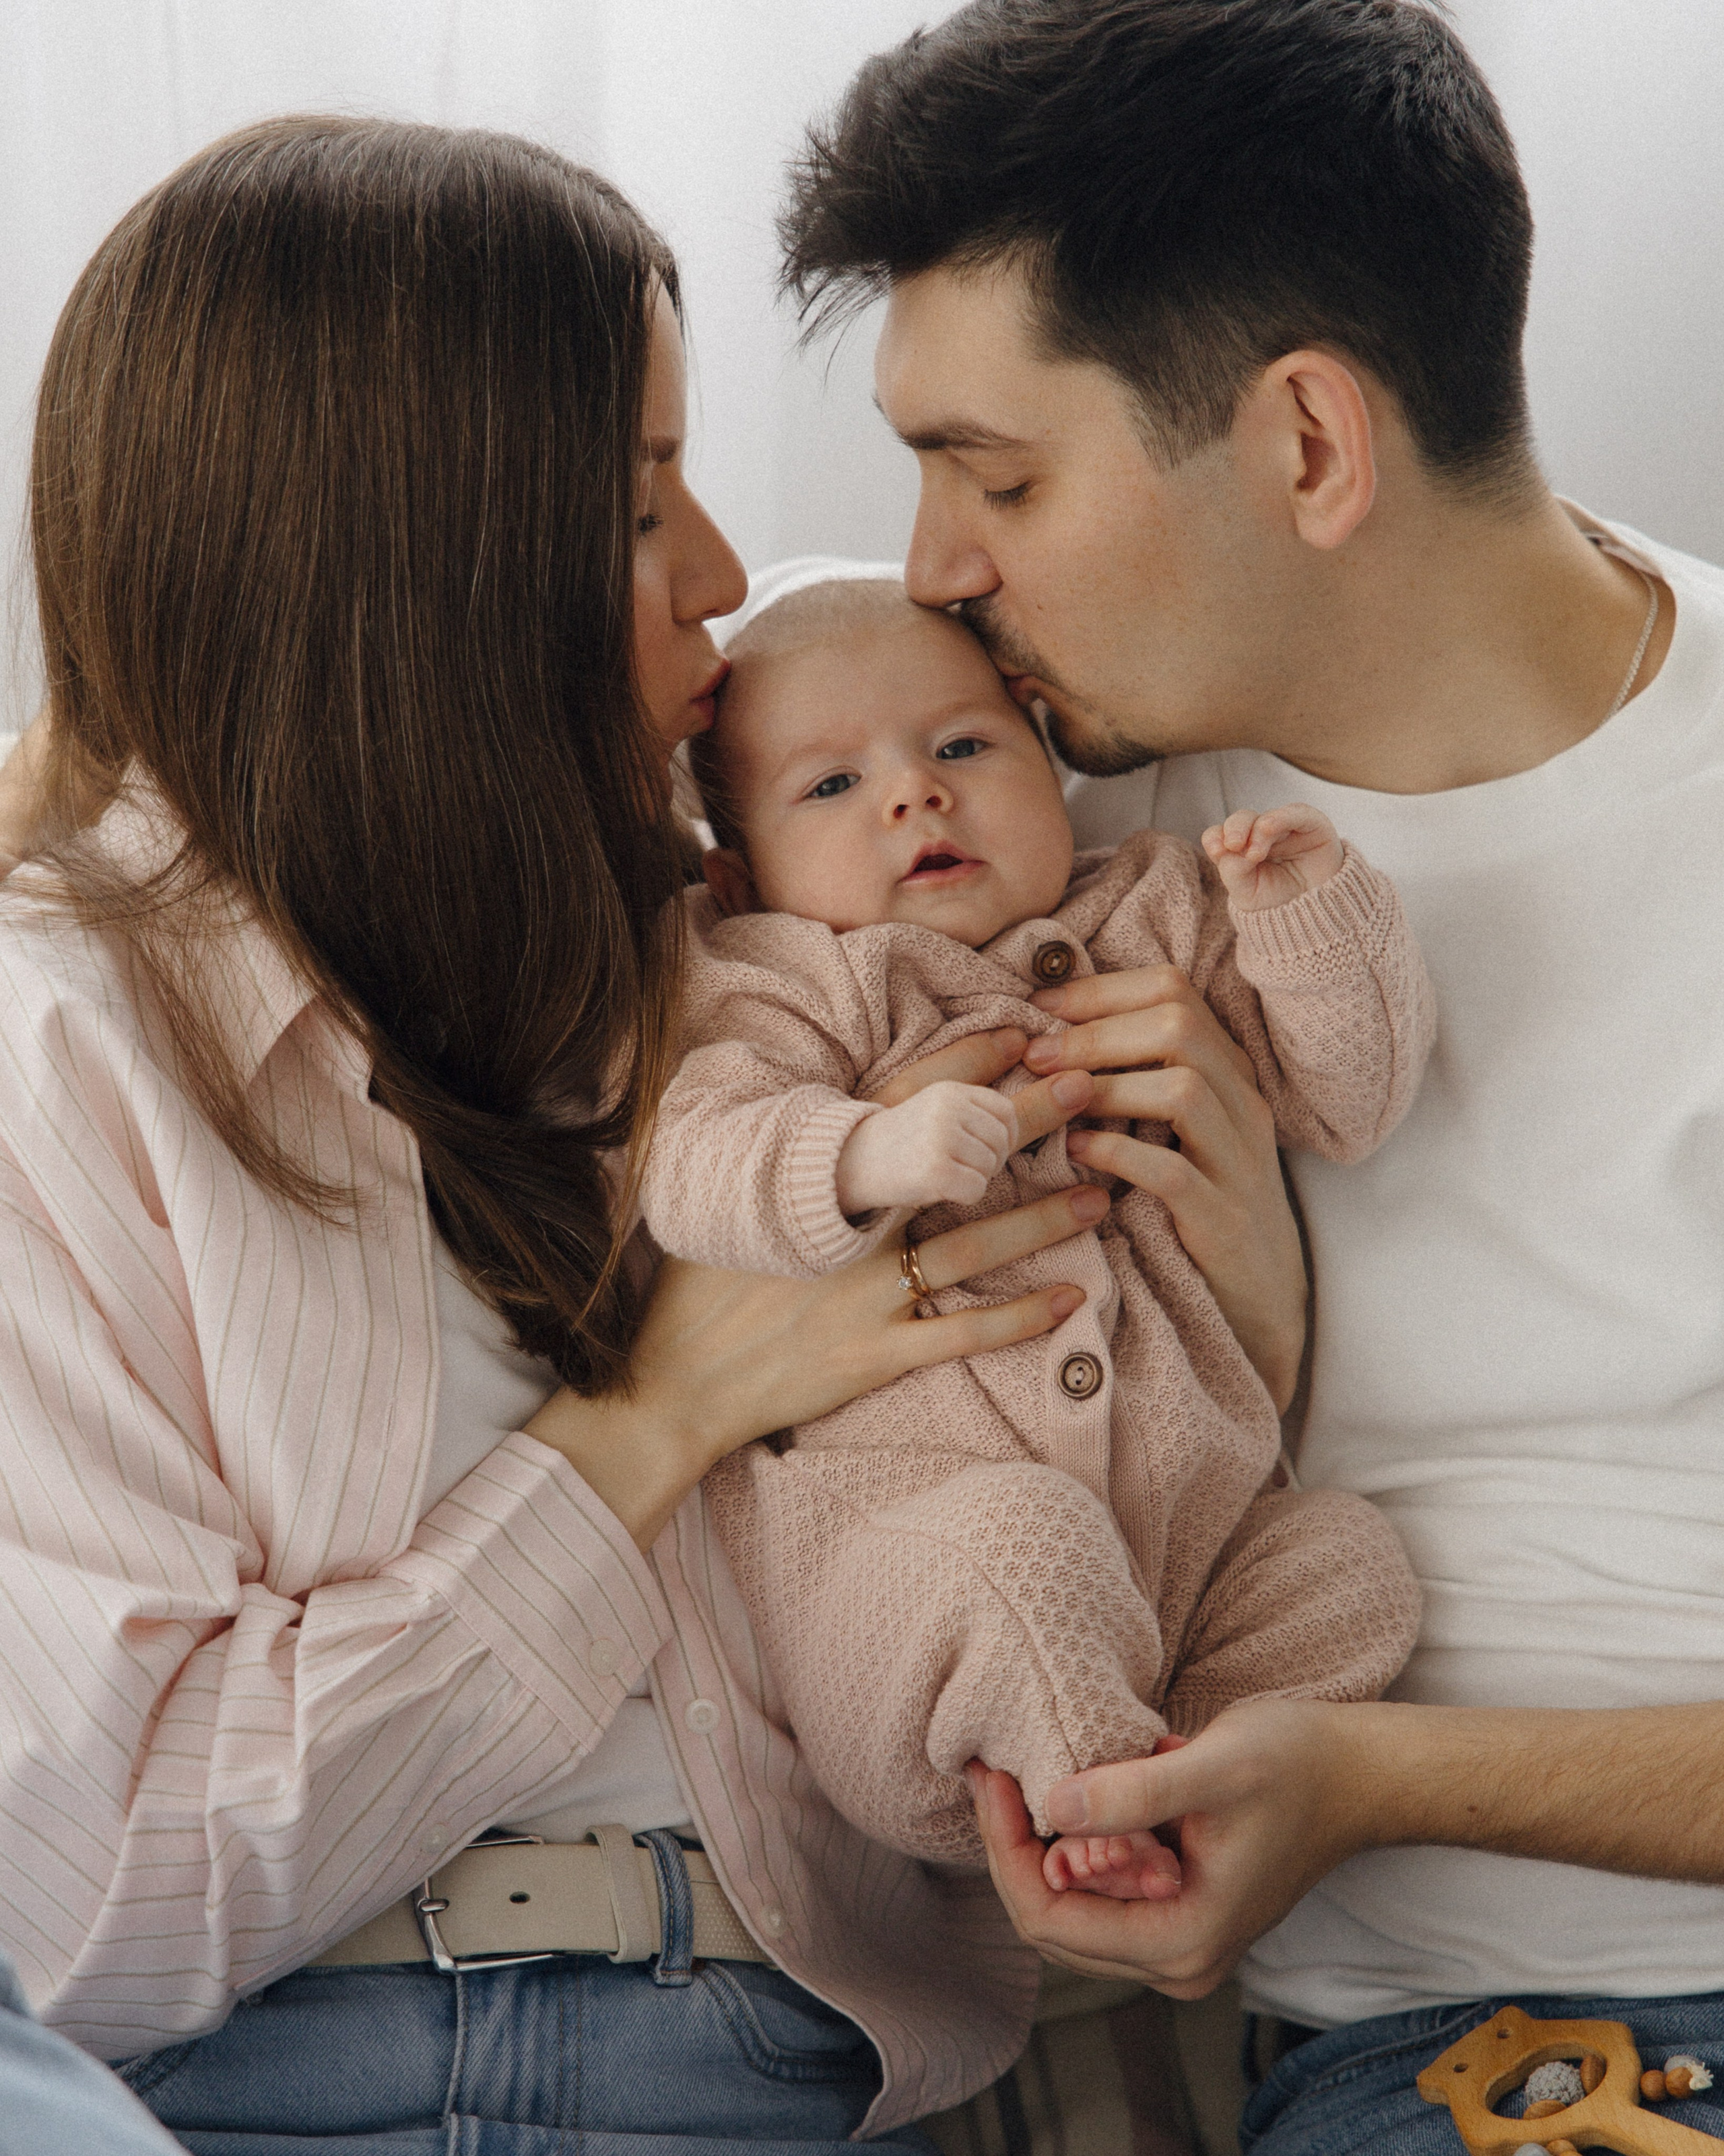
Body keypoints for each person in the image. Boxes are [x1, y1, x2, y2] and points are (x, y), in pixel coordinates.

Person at [0, 114, 1306, 2153]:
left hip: (788, 2054)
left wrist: (1255, 1294)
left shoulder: (738, 924)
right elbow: (109, 1899)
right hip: (294, 2068)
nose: (719, 574)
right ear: (399, 580)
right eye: (634, 507)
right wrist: (652, 1424)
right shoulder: (65, 1049)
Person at [778, 0, 1724, 2148]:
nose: (930, 567)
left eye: (999, 478)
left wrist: (1375, 1776)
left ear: (1307, 444)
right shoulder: (976, 799)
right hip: (1484, 2058)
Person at [644, 573, 1427, 1898]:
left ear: (1045, 755)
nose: (915, 794)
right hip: (912, 1587)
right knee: (1018, 1546)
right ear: (738, 873)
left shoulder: (1158, 910)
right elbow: (691, 1159)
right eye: (832, 785)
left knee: (1351, 1562)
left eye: (960, 746)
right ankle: (1097, 1799)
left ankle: (1200, 1783)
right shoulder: (776, 979)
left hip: (1193, 1555)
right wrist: (862, 1153)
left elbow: (1345, 1102)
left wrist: (1303, 918)